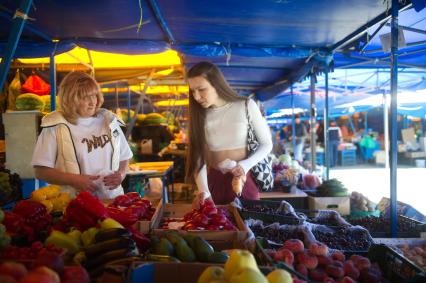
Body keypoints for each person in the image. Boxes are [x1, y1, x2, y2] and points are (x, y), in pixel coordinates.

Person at [31, 72, 133, 199]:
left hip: (112, 200)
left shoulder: (109, 121)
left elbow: (124, 157)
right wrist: (74, 180)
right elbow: (40, 171)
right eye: (85, 97)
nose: (92, 102)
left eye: (94, 96)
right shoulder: (55, 126)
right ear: (70, 99)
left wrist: (121, 175)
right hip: (75, 204)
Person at [185, 62, 272, 207]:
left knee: (248, 226)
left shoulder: (246, 105)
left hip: (242, 180)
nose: (197, 97)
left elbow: (266, 144)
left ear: (216, 84)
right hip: (212, 183)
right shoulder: (199, 115)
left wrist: (245, 165)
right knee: (216, 227)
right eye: (193, 91)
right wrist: (204, 192)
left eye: (201, 89)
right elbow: (197, 158)